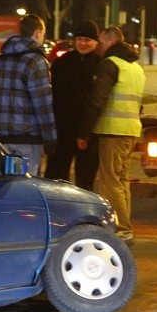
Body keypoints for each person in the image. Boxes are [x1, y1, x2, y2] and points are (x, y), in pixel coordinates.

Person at [77, 26, 146, 244]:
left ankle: (121, 229)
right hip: (132, 131)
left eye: (100, 41)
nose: (99, 46)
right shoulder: (135, 67)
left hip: (113, 131)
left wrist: (84, 132)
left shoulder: (110, 64)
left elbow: (97, 101)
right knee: (122, 180)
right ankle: (125, 226)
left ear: (108, 41)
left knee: (110, 181)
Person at [0, 14, 56, 176]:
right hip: (27, 140)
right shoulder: (36, 61)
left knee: (5, 190)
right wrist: (50, 138)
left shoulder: (0, 60)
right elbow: (43, 104)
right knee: (26, 190)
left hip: (2, 138)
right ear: (38, 32)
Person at [44, 20, 102, 191]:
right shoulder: (62, 63)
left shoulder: (101, 65)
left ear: (95, 42)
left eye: (87, 40)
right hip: (63, 129)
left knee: (85, 179)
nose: (83, 43)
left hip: (89, 131)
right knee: (56, 177)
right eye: (79, 39)